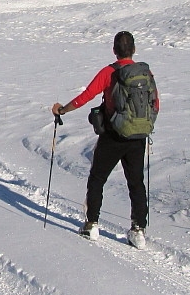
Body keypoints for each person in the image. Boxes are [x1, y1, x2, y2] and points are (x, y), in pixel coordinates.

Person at [51, 31, 159, 248]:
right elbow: (155, 104)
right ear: (134, 50)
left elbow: (86, 96)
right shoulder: (145, 73)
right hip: (138, 137)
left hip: (113, 135)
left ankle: (91, 225)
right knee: (136, 183)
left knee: (97, 178)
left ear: (114, 50)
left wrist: (62, 110)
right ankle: (138, 230)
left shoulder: (109, 72)